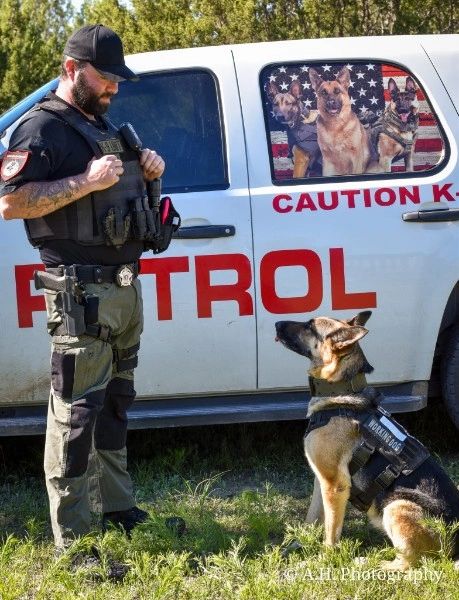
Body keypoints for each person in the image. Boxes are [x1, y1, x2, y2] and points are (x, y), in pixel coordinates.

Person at [0, 24, 165, 555]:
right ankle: (74, 540)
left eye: (118, 77)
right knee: (74, 415)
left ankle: (119, 509)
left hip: (123, 291)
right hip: (78, 295)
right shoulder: (40, 130)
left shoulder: (105, 127)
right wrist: (84, 183)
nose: (114, 86)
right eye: (106, 76)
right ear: (72, 69)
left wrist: (149, 170)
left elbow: (127, 200)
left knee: (116, 404)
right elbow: (10, 202)